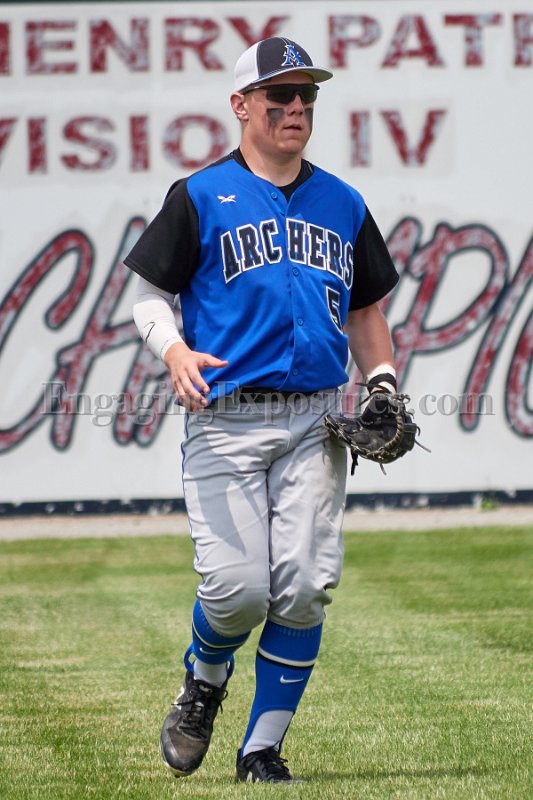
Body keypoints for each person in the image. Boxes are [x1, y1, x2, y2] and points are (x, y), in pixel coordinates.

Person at [125, 36, 399, 784]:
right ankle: (203, 682)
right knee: (237, 591)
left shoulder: (342, 202)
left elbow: (366, 310)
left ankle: (261, 751)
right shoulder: (199, 195)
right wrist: (174, 351)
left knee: (305, 585)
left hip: (316, 420)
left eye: (306, 94)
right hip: (225, 418)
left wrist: (380, 382)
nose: (295, 106)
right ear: (241, 105)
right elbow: (149, 296)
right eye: (279, 94)